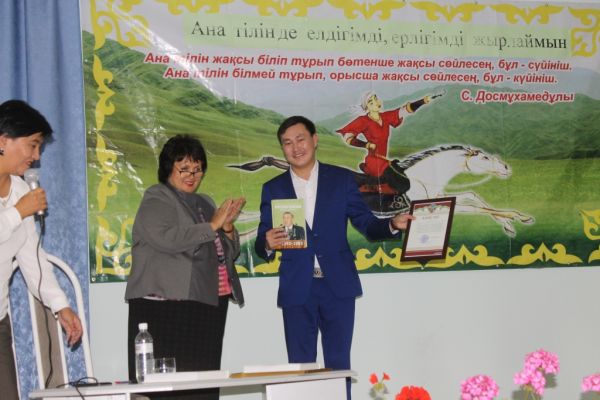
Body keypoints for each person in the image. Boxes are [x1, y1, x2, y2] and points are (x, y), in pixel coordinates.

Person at [255, 116, 413, 399]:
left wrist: (391, 224)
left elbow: (366, 223)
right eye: (287, 143)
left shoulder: (341, 180)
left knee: (339, 366)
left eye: (300, 139)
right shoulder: (273, 188)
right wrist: (267, 242)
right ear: (282, 149)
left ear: (314, 140)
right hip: (297, 288)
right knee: (299, 369)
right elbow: (261, 240)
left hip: (337, 286)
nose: (295, 147)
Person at [125, 134, 245, 400]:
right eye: (185, 169)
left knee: (203, 382)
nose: (192, 175)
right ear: (169, 168)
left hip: (208, 302)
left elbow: (228, 253)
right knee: (169, 386)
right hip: (166, 305)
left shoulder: (205, 202)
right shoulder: (157, 197)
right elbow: (166, 239)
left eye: (198, 169)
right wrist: (212, 225)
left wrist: (227, 228)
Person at [0, 100, 83, 400]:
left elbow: (32, 259)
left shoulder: (22, 191)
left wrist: (60, 305)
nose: (36, 157)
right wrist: (17, 213)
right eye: (32, 145)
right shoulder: (22, 204)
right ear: (3, 141)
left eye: (39, 148)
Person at [336, 91, 438, 194]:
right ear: (367, 107)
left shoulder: (385, 117)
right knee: (402, 184)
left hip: (384, 159)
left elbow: (404, 110)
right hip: (373, 160)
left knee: (401, 178)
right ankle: (370, 188)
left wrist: (423, 101)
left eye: (376, 99)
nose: (376, 102)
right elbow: (348, 138)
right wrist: (366, 144)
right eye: (371, 102)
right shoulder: (363, 120)